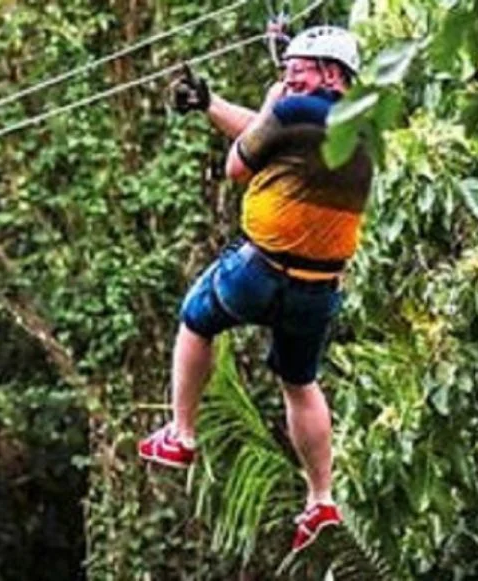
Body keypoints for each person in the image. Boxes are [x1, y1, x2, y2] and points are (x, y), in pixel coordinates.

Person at [139, 25, 373, 553]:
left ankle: (181, 433)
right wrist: (211, 104)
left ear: (330, 73)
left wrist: (272, 99)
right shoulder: (359, 123)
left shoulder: (291, 110)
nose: (289, 78)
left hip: (259, 271)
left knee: (196, 318)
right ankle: (321, 498)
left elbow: (239, 165)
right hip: (318, 288)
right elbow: (272, 135)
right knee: (300, 382)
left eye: (299, 69)